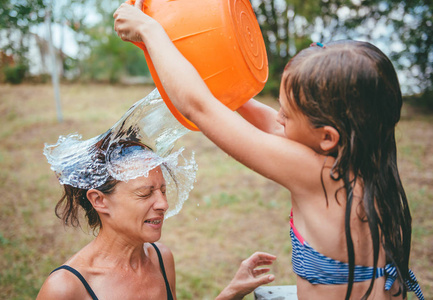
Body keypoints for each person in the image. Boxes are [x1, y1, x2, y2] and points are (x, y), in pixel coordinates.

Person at [113, 2, 425, 299]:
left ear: (327, 136)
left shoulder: (320, 177)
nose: (278, 119)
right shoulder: (365, 164)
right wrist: (185, 55)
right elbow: (245, 111)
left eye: (286, 113)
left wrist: (150, 31)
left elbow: (201, 108)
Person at [37, 138, 276, 300]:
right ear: (99, 201)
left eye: (163, 190)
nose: (163, 204)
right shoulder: (66, 288)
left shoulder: (161, 258)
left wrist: (231, 292)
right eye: (145, 193)